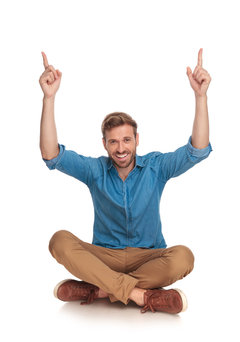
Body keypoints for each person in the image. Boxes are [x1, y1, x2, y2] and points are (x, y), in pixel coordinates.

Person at [39, 49, 212, 314]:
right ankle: (141, 296)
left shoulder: (156, 167)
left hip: (149, 257)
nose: (121, 148)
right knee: (59, 241)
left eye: (127, 140)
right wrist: (48, 99)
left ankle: (98, 289)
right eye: (114, 141)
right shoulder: (94, 169)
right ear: (105, 144)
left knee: (184, 257)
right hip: (104, 256)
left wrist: (201, 97)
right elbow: (51, 154)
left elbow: (197, 150)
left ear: (137, 140)